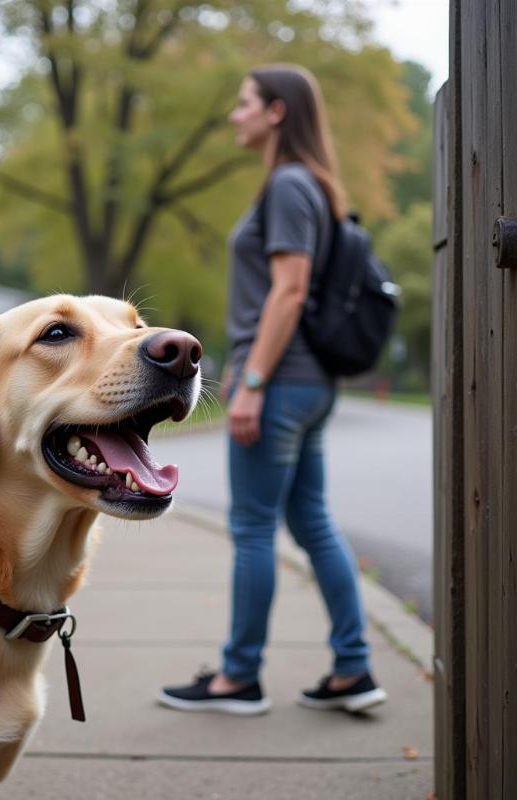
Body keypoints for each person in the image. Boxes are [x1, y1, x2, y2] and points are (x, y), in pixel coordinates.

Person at [158, 64, 387, 716]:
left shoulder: (288, 185)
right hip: (308, 384)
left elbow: (288, 290)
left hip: (281, 382)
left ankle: (238, 677)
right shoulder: (310, 185)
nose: (235, 115)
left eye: (244, 103)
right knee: (310, 521)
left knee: (253, 528)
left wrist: (251, 382)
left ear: (276, 112)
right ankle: (352, 668)